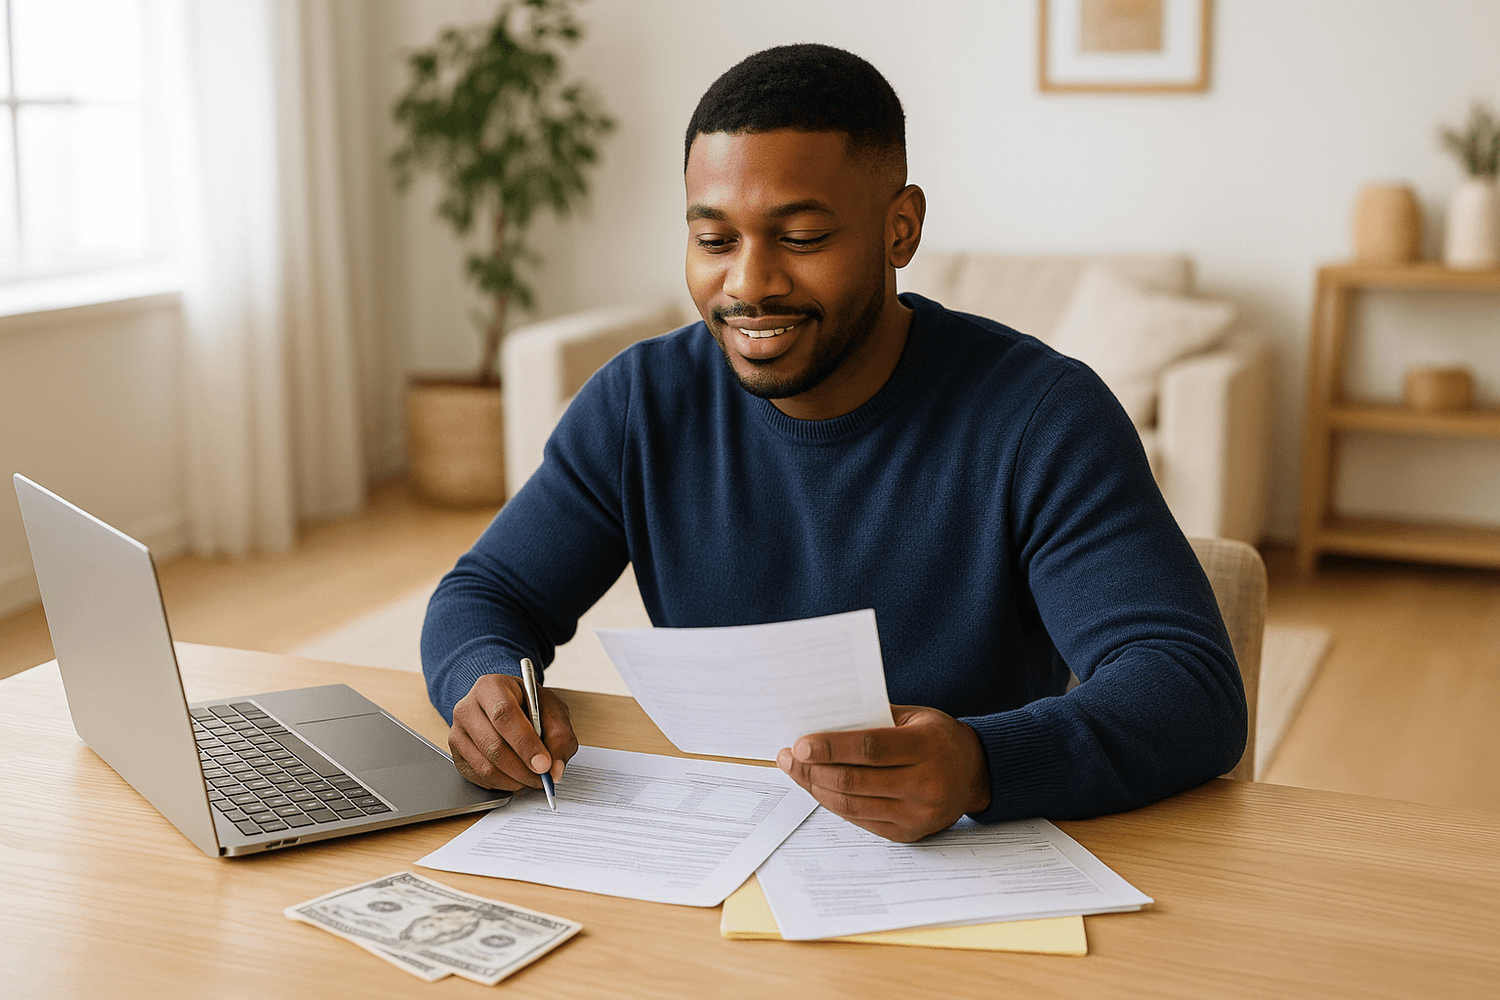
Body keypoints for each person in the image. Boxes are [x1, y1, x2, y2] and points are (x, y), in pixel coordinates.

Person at [421, 43, 1246, 844]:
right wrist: (484, 685)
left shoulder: (1041, 418)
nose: (747, 284)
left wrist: (981, 764)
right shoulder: (642, 403)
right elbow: (486, 595)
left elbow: (1189, 687)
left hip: (968, 864)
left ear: (900, 230)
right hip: (718, 842)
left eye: (802, 237)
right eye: (714, 241)